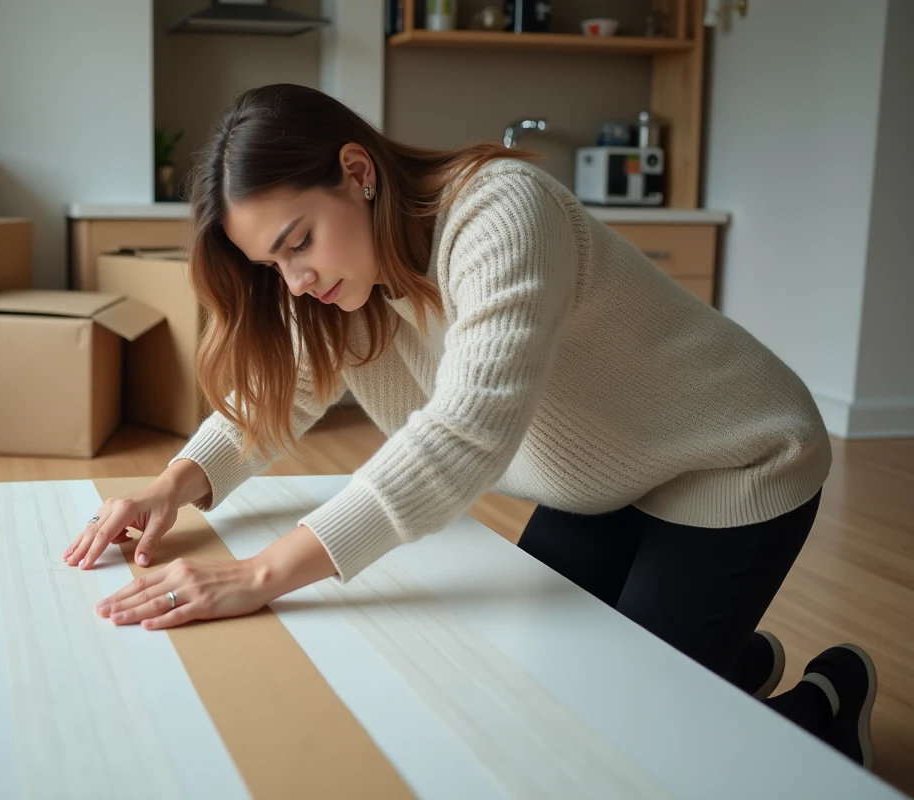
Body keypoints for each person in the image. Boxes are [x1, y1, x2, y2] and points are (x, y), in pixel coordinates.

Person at [63, 84, 877, 768]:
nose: (296, 278)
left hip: (732, 459)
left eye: (298, 242)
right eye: (273, 264)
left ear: (356, 171)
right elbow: (284, 396)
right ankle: (724, 664)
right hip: (606, 475)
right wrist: (173, 485)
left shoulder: (500, 211)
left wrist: (260, 574)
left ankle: (823, 707)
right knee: (531, 698)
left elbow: (464, 432)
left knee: (619, 746)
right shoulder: (342, 283)